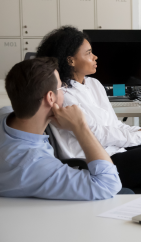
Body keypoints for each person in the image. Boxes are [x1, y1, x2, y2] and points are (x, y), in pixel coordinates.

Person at [36, 26, 141, 194]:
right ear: (71, 60)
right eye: (88, 53)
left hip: (117, 153)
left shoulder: (93, 84)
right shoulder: (63, 96)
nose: (95, 57)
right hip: (94, 162)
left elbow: (114, 124)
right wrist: (140, 135)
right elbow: (97, 135)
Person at [0, 57, 122, 200]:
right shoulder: (33, 164)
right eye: (61, 87)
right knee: (127, 193)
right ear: (50, 97)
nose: (64, 91)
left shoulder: (5, 114)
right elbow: (108, 185)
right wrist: (80, 126)